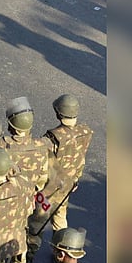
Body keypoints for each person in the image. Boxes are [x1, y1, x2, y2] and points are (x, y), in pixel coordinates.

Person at [1, 97, 53, 263]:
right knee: (31, 233)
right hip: (31, 198)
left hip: (9, 200)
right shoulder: (41, 146)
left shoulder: (4, 146)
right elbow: (43, 177)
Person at [42, 94, 94, 231]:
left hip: (50, 186)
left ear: (58, 114)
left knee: (39, 220)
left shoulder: (53, 137)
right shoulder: (85, 132)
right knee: (60, 215)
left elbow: (42, 161)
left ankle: (31, 249)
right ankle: (62, 247)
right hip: (70, 182)